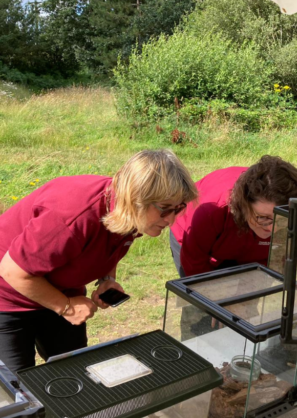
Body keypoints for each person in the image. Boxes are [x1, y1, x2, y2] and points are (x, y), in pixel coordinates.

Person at [0, 150, 197, 371]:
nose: (171, 220)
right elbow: (11, 271)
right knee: (15, 389)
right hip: (8, 295)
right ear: (136, 198)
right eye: (165, 209)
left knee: (73, 373)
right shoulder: (73, 215)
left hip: (61, 289)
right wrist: (66, 307)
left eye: (178, 209)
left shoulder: (130, 213)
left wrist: (106, 278)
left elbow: (110, 242)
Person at [169, 155, 297, 277]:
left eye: (283, 218)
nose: (273, 228)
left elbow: (274, 265)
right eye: (263, 217)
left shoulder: (293, 220)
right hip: (194, 236)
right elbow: (195, 268)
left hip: (241, 246)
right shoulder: (212, 210)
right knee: (201, 307)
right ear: (244, 205)